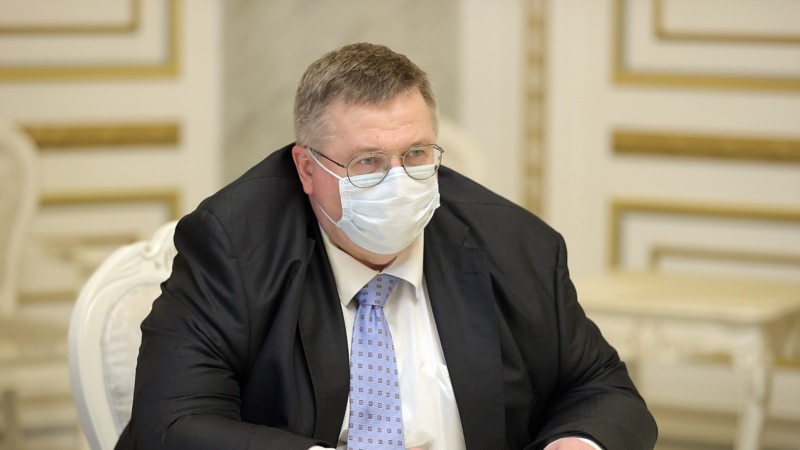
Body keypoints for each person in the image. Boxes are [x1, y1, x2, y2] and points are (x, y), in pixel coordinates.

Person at [117, 43, 657, 450]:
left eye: (416, 154)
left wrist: (580, 442)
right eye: (367, 162)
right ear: (307, 168)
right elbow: (171, 423)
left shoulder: (516, 245)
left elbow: (602, 389)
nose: (398, 182)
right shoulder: (232, 247)